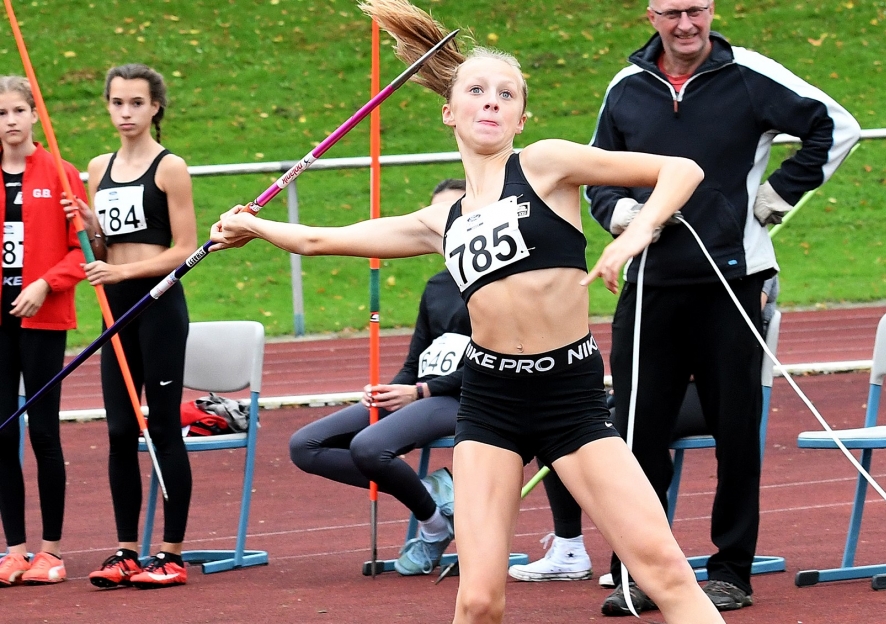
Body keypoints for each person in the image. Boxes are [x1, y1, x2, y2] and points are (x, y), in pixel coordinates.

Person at [211, 2, 725, 622]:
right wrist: (252, 226)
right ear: (448, 111)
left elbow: (681, 170)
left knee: (663, 571)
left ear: (521, 117)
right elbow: (319, 239)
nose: (491, 103)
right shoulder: (441, 221)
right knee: (478, 600)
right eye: (476, 91)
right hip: (490, 401)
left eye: (506, 95)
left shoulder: (545, 164)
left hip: (569, 397)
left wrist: (635, 233)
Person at [584, 1, 860, 615]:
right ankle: (637, 573)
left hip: (733, 283)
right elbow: (597, 172)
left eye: (697, 9)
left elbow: (837, 126)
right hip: (651, 287)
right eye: (672, 12)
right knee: (635, 438)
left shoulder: (751, 75)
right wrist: (622, 215)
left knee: (736, 436)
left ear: (711, 10)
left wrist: (778, 194)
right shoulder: (626, 88)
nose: (686, 24)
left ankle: (731, 571)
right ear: (651, 15)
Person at [508, 278, 779, 586]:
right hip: (668, 383)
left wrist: (663, 370)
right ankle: (569, 546)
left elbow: (724, 344)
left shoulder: (751, 268)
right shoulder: (657, 273)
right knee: (564, 418)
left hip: (714, 390)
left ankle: (648, 557)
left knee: (598, 426)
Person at [289, 179, 468, 576]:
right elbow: (416, 358)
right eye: (434, 215)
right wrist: (392, 388)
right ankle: (433, 498)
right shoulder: (437, 286)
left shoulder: (497, 282)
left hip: (464, 397)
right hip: (422, 393)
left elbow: (493, 359)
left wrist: (421, 391)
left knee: (369, 447)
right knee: (306, 445)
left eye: (452, 213)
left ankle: (431, 526)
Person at [64, 63, 198, 589]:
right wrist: (91, 230)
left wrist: (123, 271)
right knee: (120, 430)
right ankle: (125, 550)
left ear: (155, 107)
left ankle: (171, 554)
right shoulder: (98, 168)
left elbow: (185, 249)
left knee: (162, 426)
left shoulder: (170, 168)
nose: (126, 113)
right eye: (117, 103)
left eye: (136, 103)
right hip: (115, 308)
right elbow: (104, 248)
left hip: (158, 305)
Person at [0, 76, 87, 586]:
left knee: (44, 432)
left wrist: (44, 283)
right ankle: (14, 550)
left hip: (41, 316)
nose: (9, 121)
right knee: (2, 432)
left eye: (17, 110)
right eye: (0, 113)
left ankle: (50, 551)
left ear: (34, 114)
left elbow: (82, 251)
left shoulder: (60, 173)